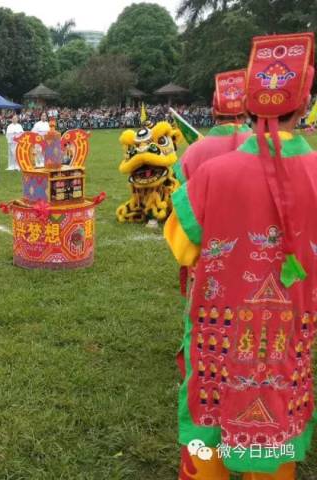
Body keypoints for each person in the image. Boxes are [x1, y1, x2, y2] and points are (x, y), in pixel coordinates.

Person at [165, 32, 316, 480]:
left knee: (203, 426)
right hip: (288, 331)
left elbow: (181, 246)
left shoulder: (210, 173)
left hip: (218, 331)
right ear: (305, 105)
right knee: (275, 428)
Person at [174, 69, 252, 184]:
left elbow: (175, 186)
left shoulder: (193, 151)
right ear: (247, 111)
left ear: (214, 113)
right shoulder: (264, 144)